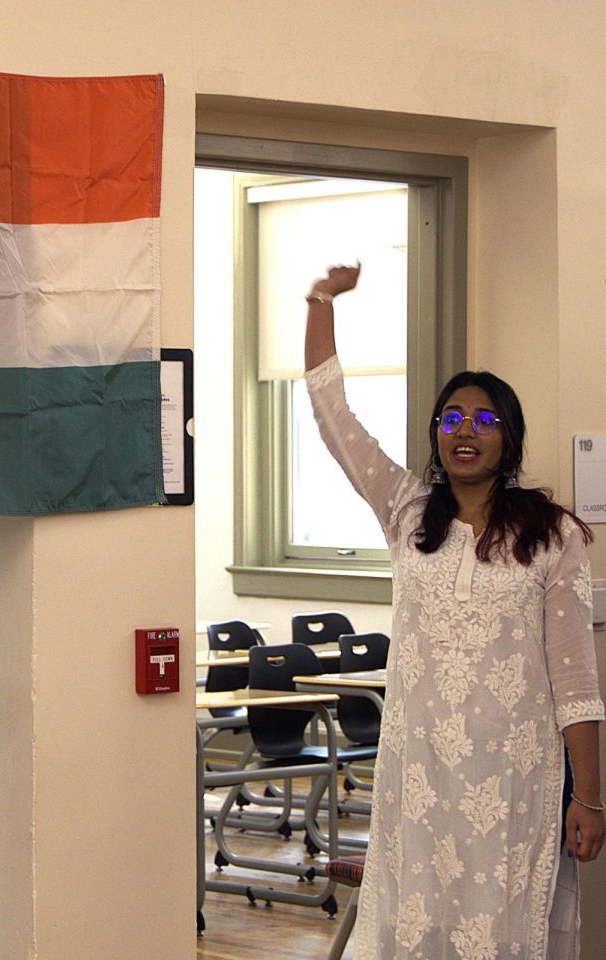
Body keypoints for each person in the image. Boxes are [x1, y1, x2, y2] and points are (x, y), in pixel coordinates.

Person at [304, 264, 605, 959]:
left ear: (508, 438)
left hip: (514, 783)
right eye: (451, 418)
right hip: (420, 778)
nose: (465, 430)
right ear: (437, 435)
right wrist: (320, 303)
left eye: (484, 419)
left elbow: (577, 683)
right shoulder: (406, 511)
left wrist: (588, 799)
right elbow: (334, 417)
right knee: (418, 928)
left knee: (499, 931)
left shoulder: (552, 536)